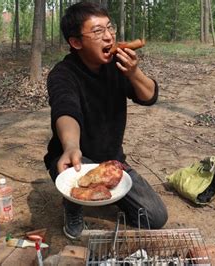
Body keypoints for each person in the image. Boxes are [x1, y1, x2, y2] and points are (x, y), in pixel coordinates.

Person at [44, 2, 168, 240]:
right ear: (76, 42)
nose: (109, 37)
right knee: (73, 173)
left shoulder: (117, 66)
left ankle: (100, 191)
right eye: (98, 32)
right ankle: (73, 203)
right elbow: (66, 110)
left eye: (110, 28)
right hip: (76, 160)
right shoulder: (63, 74)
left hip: (112, 161)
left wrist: (133, 73)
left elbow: (150, 96)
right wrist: (71, 146)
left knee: (155, 217)